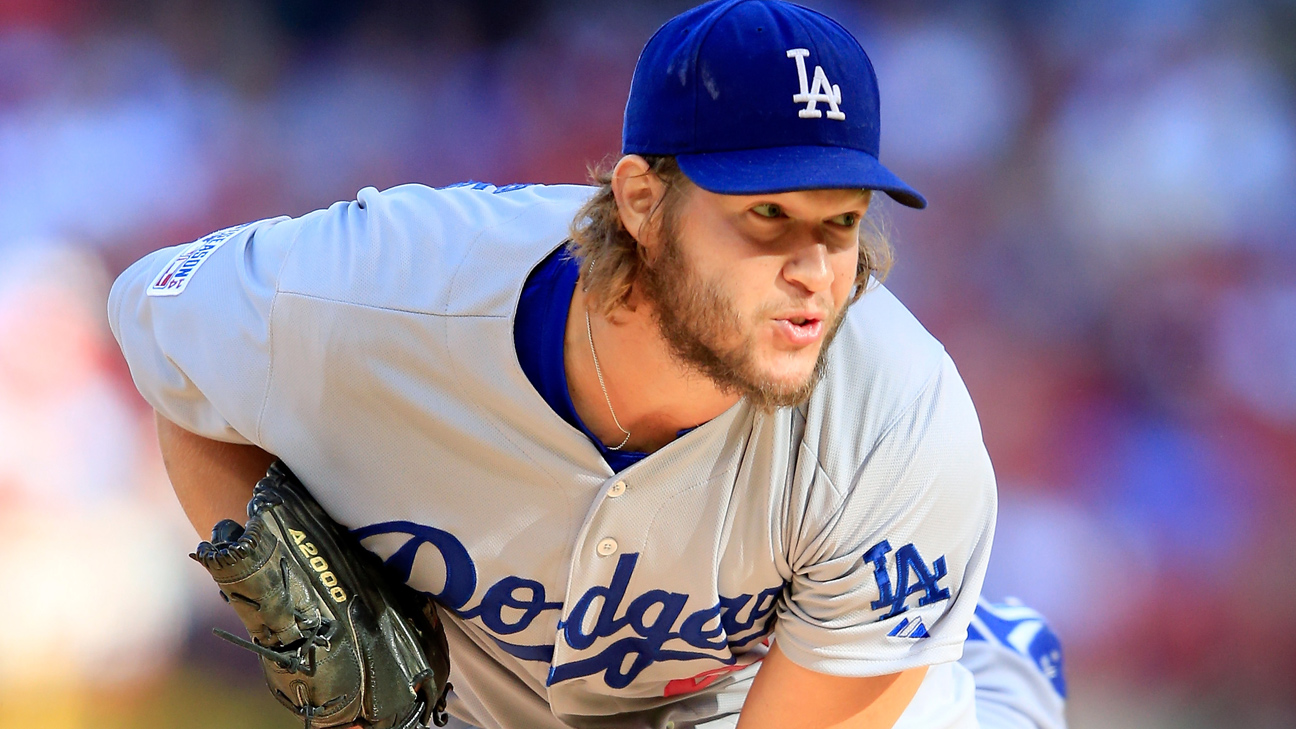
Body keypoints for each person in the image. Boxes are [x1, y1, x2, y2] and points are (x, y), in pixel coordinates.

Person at [109, 1, 1067, 727]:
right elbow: (160, 335)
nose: (813, 274)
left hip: (760, 691)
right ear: (642, 201)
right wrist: (282, 599)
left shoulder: (892, 418)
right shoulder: (377, 294)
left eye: (841, 223)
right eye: (766, 216)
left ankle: (991, 663)